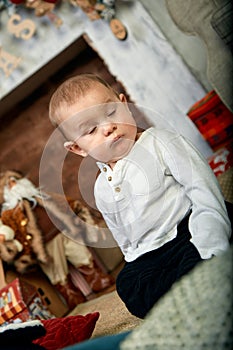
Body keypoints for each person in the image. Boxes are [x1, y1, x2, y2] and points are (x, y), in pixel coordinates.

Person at [48, 73, 232, 318]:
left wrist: (211, 242)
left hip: (188, 227)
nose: (108, 127)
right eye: (91, 129)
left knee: (202, 256)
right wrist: (136, 261)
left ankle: (201, 287)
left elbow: (204, 191)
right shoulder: (100, 188)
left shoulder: (159, 142)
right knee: (129, 285)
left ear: (125, 105)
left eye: (112, 112)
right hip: (151, 253)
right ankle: (178, 301)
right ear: (78, 148)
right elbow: (124, 238)